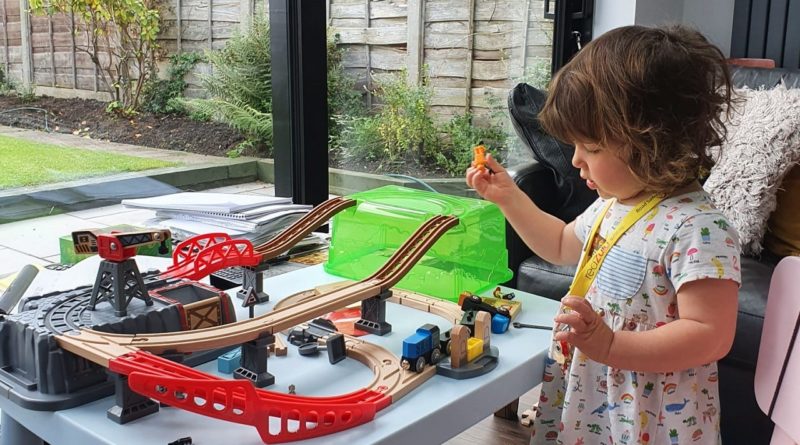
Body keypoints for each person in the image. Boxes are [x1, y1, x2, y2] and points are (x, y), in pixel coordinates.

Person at [466, 25, 740, 445]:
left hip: (653, 414)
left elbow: (710, 334)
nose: (575, 160)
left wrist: (611, 345)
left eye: (590, 148)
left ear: (652, 141)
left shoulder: (698, 227)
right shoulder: (613, 204)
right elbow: (559, 244)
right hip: (594, 393)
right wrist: (508, 197)